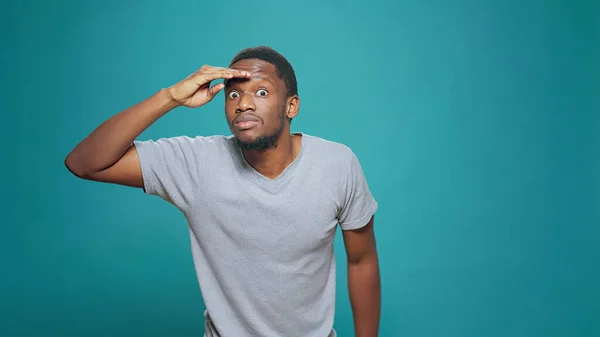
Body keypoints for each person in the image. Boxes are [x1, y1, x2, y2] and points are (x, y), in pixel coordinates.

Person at [65, 46, 380, 337]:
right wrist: (170, 97)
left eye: (260, 92)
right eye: (233, 95)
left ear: (291, 106)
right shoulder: (197, 163)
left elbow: (362, 260)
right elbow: (84, 163)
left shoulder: (337, 165)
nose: (243, 104)